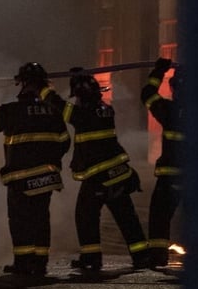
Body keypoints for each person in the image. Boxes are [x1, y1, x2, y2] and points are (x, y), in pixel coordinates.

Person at [44, 71, 153, 272]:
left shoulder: (83, 114)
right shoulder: (105, 109)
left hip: (97, 177)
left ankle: (91, 259)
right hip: (117, 173)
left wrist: (43, 88)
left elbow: (59, 106)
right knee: (126, 215)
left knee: (85, 216)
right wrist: (81, 77)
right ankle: (141, 255)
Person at [0, 62, 71, 277]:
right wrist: (48, 160)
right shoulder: (53, 112)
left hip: (21, 178)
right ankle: (40, 263)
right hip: (46, 177)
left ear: (22, 84)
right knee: (41, 219)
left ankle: (24, 263)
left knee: (20, 221)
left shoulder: (13, 111)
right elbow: (64, 142)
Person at [141, 57, 184, 267]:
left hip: (170, 176)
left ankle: (158, 256)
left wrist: (159, 70)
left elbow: (147, 94)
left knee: (159, 216)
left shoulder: (169, 111)